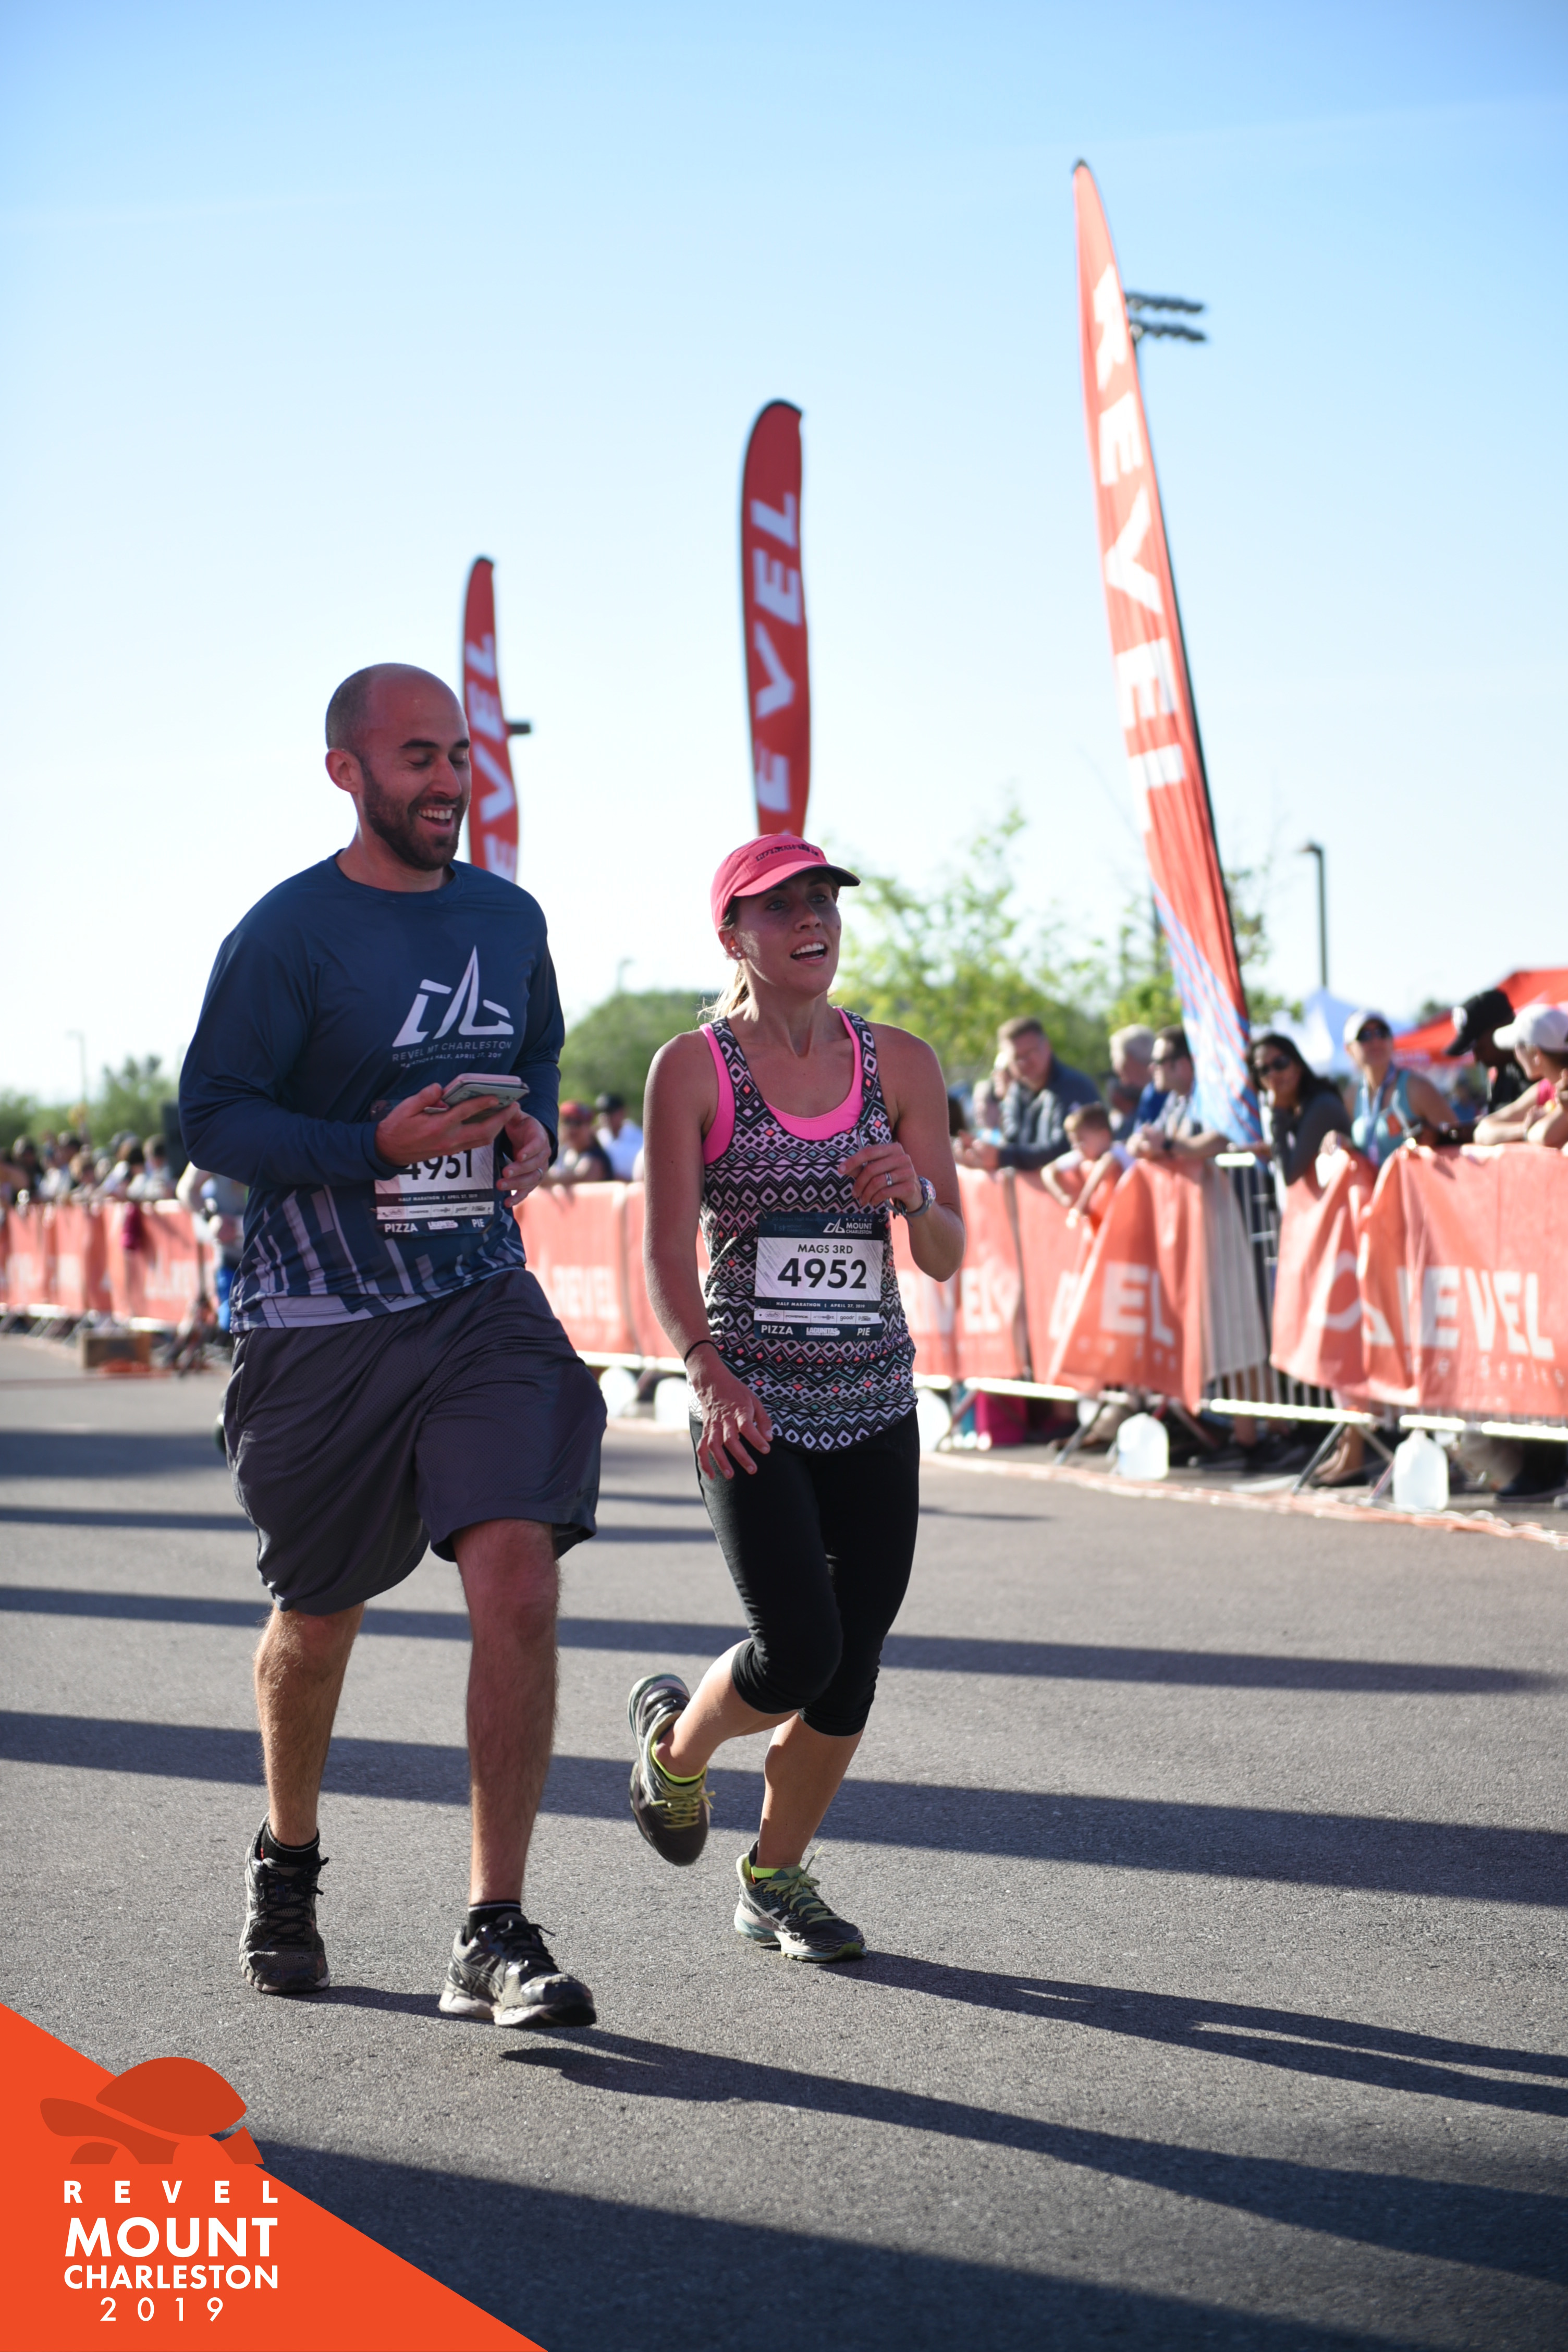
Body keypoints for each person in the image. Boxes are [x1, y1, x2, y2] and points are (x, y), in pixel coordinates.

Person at [180, 662, 605, 2029]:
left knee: (518, 1578)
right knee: (317, 1622)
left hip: (478, 1297)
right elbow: (215, 1118)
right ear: (346, 772)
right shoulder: (287, 934)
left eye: (459, 755)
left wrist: (531, 1126)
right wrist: (370, 1144)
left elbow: (538, 1054)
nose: (448, 780)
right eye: (418, 756)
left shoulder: (507, 916)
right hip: (318, 1325)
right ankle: (288, 1858)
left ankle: (495, 1927)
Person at [631, 832, 964, 1961]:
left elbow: (945, 1253)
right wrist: (704, 1371)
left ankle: (775, 1878)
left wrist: (914, 1196)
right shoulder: (693, 1068)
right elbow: (663, 1250)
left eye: (822, 898)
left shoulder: (899, 1063)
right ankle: (675, 1750)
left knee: (851, 1666)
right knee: (796, 1652)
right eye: (780, 906)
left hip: (873, 1403)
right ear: (732, 935)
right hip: (751, 1406)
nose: (811, 918)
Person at [960, 1016, 1100, 1171]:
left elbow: (1065, 1149)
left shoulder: (1074, 1087)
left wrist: (1001, 1157)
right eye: (1016, 1057)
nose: (1023, 1062)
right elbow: (1012, 1141)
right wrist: (978, 1150)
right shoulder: (1016, 1091)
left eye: (1029, 1053)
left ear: (1047, 1047)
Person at [1246, 1031, 1352, 1210]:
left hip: (1345, 1209)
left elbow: (1290, 1175)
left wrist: (1278, 1110)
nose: (1273, 1074)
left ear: (1298, 1065)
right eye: (1263, 1070)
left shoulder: (1320, 1105)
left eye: (1280, 1063)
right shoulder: (1296, 1107)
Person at [1345, 1011, 1452, 1167]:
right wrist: (1339, 1140)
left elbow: (1456, 1139)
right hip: (1372, 1183)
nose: (1376, 1041)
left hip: (1415, 1182)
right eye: (1365, 1036)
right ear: (1349, 1049)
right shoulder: (1351, 1095)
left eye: (1382, 1033)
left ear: (1392, 1041)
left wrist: (1434, 1138)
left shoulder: (1417, 1087)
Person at [1128, 1028, 1231, 1162]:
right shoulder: (1175, 1098)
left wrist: (1168, 1145)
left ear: (1182, 1064)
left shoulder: (1210, 1094)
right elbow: (1155, 1136)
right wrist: (1139, 1142)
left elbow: (1223, 1140)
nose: (1151, 1068)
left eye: (1158, 1061)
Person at [1473, 1005, 1568, 1146]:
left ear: (1536, 1054)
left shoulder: (1556, 1087)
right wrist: (1524, 1128)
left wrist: (1531, 1128)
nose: (1515, 1054)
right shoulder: (1546, 1087)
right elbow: (1482, 1131)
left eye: (1518, 1046)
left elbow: (1545, 1135)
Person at [1040, 1101, 1129, 1222]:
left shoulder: (1119, 1150)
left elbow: (1107, 1163)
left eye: (1081, 1140)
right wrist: (1062, 1197)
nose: (1076, 1147)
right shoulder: (1082, 1154)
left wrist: (1083, 1202)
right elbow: (1048, 1171)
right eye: (1073, 1142)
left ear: (1104, 1135)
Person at [1444, 987, 1528, 1114]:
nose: (1477, 1058)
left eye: (1480, 1049)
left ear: (1502, 1028)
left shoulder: (1539, 1067)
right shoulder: (1503, 1073)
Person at [542, 1101, 614, 1184]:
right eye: (567, 1122)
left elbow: (582, 1176)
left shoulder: (596, 1156)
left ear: (590, 1127)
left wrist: (541, 1176)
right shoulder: (563, 1151)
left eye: (577, 1122)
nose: (572, 1128)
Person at [1105, 1024, 1157, 1140]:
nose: (1123, 1082)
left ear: (1130, 1059)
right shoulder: (1149, 1093)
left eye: (1122, 1070)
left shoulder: (1159, 1093)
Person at [594, 1092, 643, 1179]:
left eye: (610, 1112)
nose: (605, 1117)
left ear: (622, 1112)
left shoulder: (639, 1137)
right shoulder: (597, 1137)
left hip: (634, 1185)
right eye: (601, 1113)